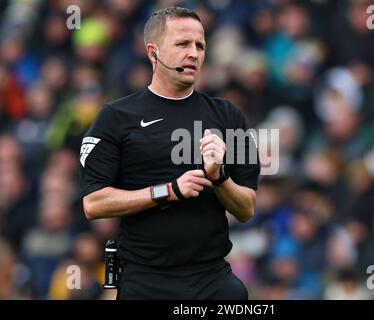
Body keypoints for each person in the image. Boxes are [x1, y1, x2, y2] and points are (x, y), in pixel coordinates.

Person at [79, 7, 260, 300]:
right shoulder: (116, 117)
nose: (194, 54)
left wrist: (219, 177)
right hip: (146, 281)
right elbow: (94, 203)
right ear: (153, 52)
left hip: (212, 278)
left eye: (200, 45)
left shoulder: (228, 116)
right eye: (182, 44)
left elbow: (246, 209)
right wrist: (170, 190)